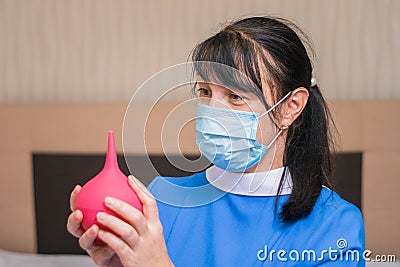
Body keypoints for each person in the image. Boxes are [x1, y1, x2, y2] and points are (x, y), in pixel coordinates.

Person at [67, 16, 365, 266]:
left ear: (291, 107)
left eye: (235, 96)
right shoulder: (158, 202)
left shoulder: (335, 226)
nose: (211, 111)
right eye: (206, 92)